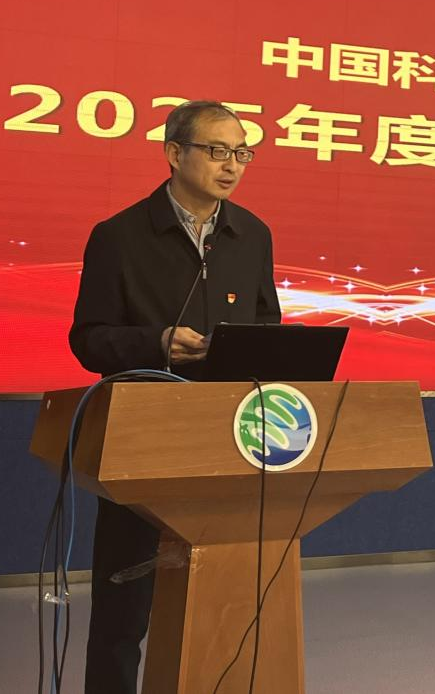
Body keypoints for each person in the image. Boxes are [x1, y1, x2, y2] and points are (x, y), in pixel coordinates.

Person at [69, 100, 281, 693]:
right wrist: (155, 342)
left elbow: (267, 326)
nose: (231, 165)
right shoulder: (118, 236)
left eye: (242, 153)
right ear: (173, 153)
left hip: (229, 437)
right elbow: (88, 339)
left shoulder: (252, 234)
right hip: (145, 436)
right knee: (124, 605)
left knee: (219, 597)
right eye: (217, 151)